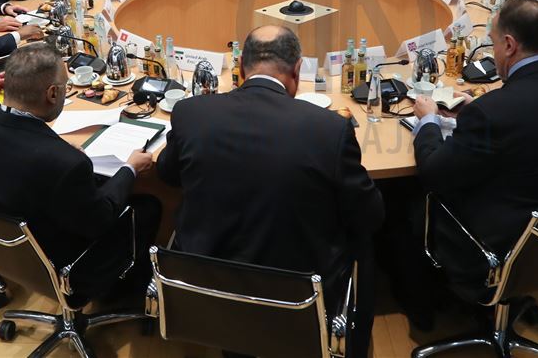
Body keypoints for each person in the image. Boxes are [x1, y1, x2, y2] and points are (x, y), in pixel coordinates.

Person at [156, 25, 383, 357]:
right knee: (364, 239)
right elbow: (371, 214)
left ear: (241, 67)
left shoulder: (191, 113)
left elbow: (167, 173)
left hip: (209, 290)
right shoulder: (329, 129)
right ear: (297, 70)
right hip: (298, 297)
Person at [410, 0, 538, 301]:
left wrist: (428, 120)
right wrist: (476, 112)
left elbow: (434, 173)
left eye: (493, 43)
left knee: (408, 199)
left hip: (502, 242)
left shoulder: (493, 111)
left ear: (509, 45)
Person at [0, 43, 160, 296]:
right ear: (52, 94)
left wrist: (61, 152)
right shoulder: (64, 163)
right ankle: (125, 290)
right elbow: (100, 220)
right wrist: (130, 168)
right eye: (65, 86)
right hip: (60, 264)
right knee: (148, 206)